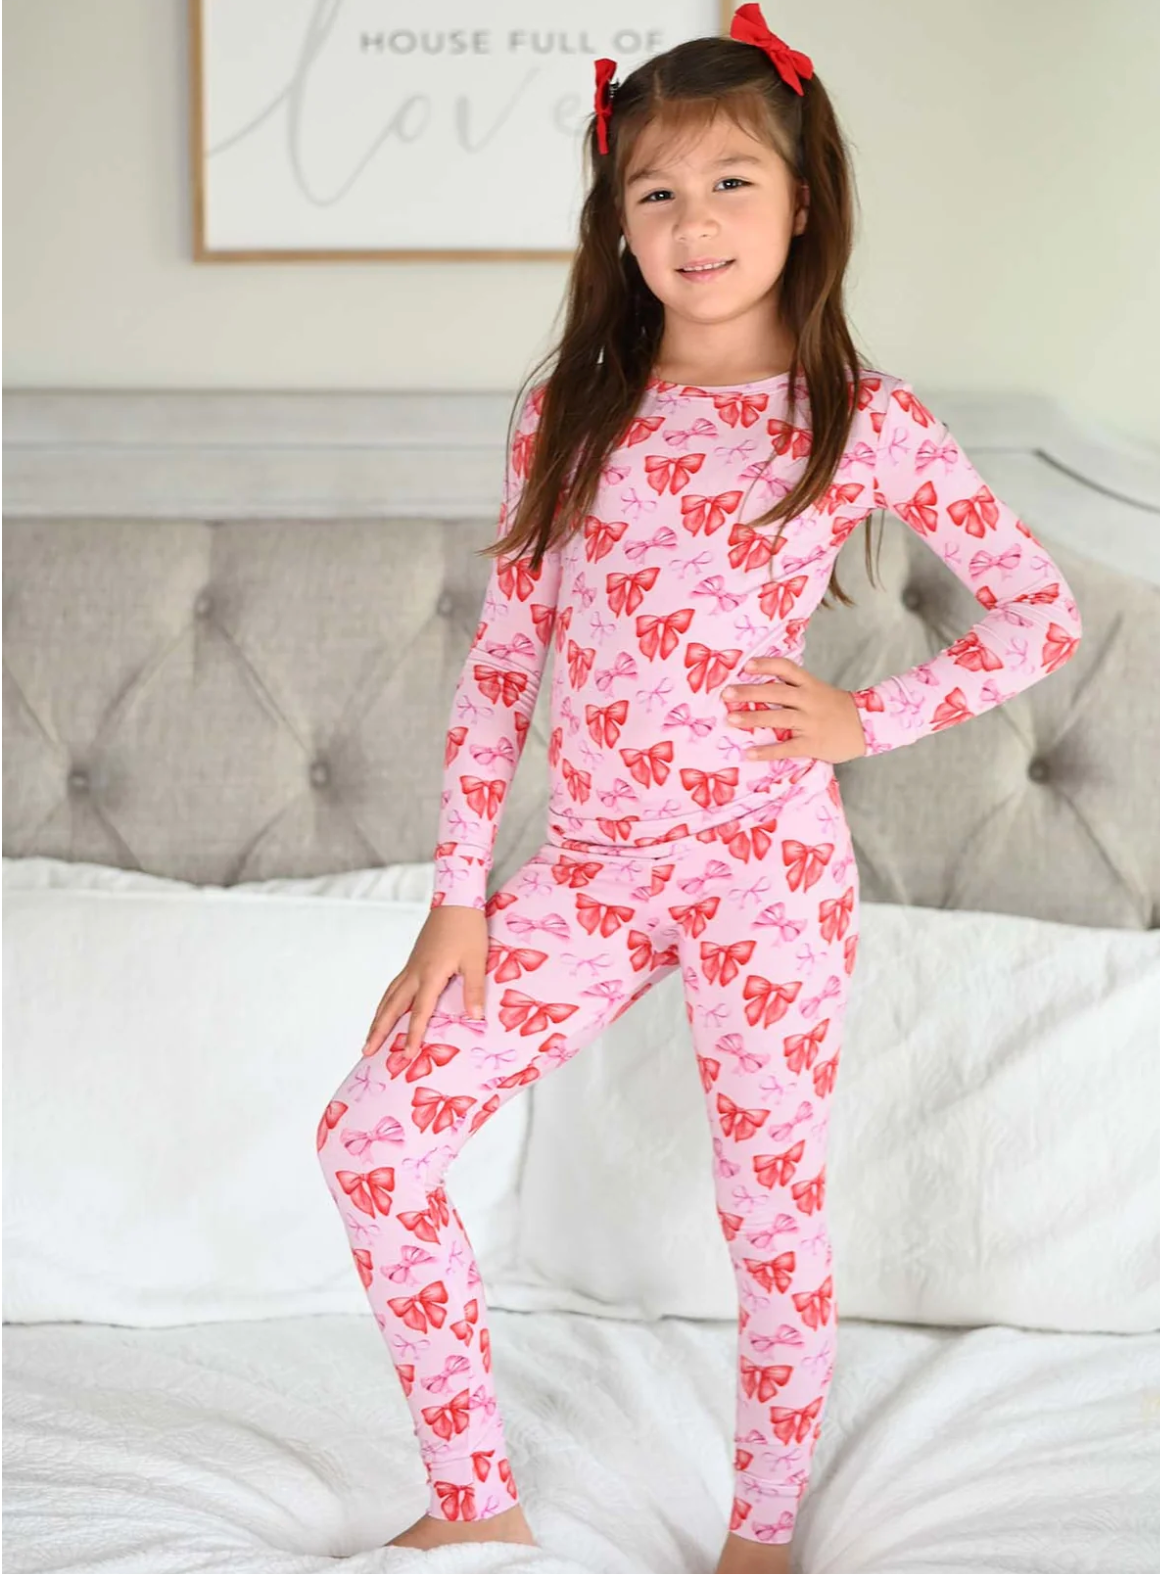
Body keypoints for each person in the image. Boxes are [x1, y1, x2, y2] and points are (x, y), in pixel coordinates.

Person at [316, 6, 1084, 1568]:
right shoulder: (574, 411)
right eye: (655, 191)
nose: (695, 221)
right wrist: (458, 896)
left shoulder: (860, 417)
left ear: (804, 200)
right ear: (618, 221)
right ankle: (475, 1499)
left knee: (769, 1204)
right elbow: (503, 666)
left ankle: (762, 1529)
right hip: (588, 871)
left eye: (732, 182)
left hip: (765, 870)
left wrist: (865, 720)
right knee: (372, 1139)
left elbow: (1040, 616)